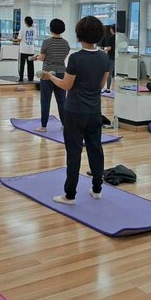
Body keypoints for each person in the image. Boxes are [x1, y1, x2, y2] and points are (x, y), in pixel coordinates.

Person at [43, 16, 110, 205]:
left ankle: (70, 195)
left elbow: (66, 85)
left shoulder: (76, 58)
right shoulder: (104, 57)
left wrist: (50, 77)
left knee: (73, 152)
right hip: (94, 111)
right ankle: (97, 189)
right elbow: (101, 84)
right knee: (95, 149)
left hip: (75, 112)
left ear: (79, 35)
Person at [36, 19, 70, 131]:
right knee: (62, 100)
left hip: (47, 73)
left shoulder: (47, 42)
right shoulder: (66, 43)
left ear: (51, 29)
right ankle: (65, 124)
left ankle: (43, 126)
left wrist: (37, 57)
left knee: (45, 100)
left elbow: (42, 58)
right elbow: (63, 57)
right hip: (61, 73)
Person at [15, 16, 35, 81]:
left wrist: (13, 40)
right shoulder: (34, 30)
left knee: (22, 65)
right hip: (31, 50)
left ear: (25, 22)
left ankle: (21, 78)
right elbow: (34, 38)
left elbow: (19, 39)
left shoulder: (22, 29)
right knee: (30, 65)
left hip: (23, 50)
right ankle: (31, 78)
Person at [102, 25, 116, 93]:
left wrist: (104, 49)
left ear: (111, 29)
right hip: (117, 57)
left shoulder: (111, 37)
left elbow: (110, 48)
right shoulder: (118, 38)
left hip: (111, 57)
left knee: (109, 74)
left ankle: (108, 89)